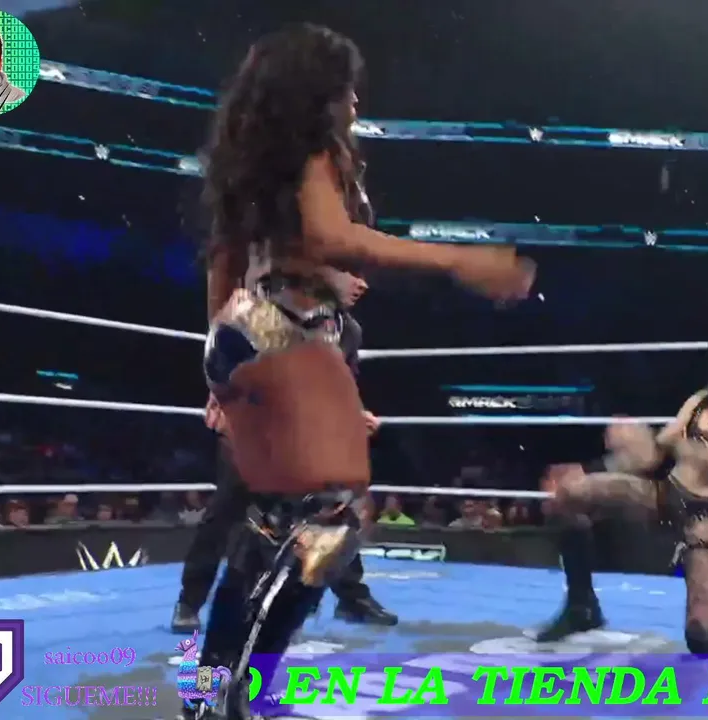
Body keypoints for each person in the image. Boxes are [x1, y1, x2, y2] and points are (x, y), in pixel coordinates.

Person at [189, 24, 533, 719]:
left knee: (272, 522)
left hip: (248, 330)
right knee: (333, 521)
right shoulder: (312, 150)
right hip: (285, 332)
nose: (354, 102)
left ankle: (210, 696)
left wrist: (220, 374)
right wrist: (459, 260)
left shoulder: (254, 161)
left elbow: (227, 266)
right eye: (345, 90)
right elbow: (332, 237)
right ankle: (237, 692)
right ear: (317, 93)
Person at [536, 314, 708, 654]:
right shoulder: (703, 398)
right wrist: (611, 456)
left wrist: (673, 442)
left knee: (704, 637)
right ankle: (581, 606)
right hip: (665, 495)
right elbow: (653, 455)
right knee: (569, 494)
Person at [171, 268, 397, 634]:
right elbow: (227, 354)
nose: (362, 283)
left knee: (335, 510)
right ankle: (189, 601)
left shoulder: (347, 330)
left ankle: (352, 598)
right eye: (351, 273)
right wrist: (222, 399)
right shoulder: (270, 309)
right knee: (227, 510)